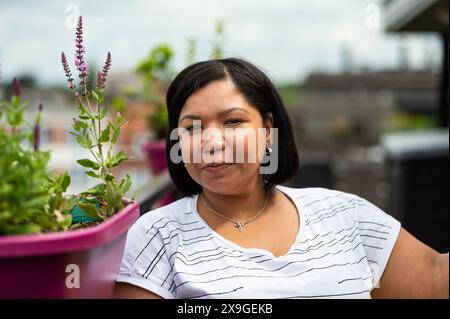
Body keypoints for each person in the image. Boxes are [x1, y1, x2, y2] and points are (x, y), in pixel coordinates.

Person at [113, 58, 449, 299]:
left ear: (268, 131)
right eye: (192, 127)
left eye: (232, 122)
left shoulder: (345, 215)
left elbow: (434, 277)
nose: (211, 142)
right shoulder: (158, 235)